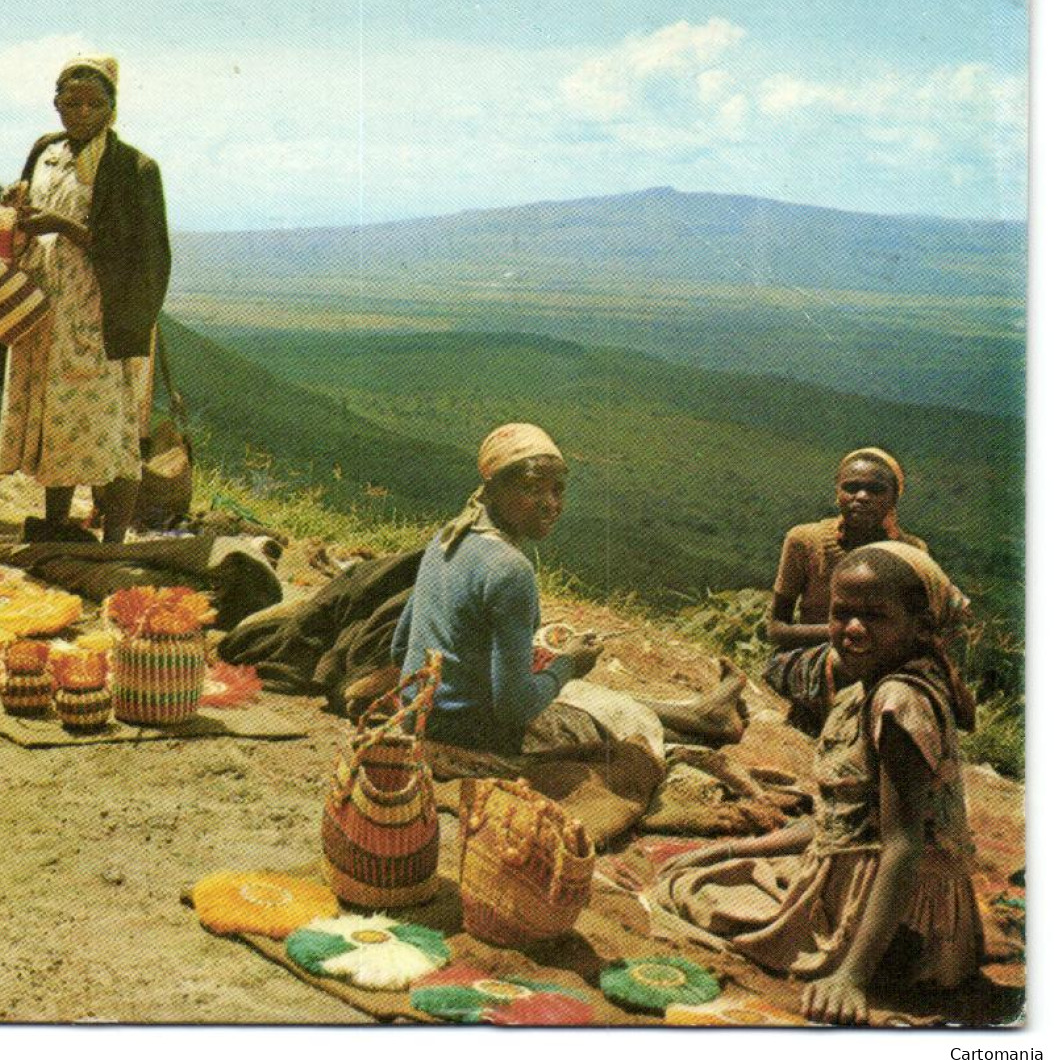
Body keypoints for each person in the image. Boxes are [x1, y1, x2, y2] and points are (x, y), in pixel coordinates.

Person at [651, 542, 982, 1025]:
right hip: (899, 902)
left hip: (901, 930)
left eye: (874, 616)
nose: (852, 628)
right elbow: (841, 820)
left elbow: (904, 846)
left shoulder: (897, 703)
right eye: (841, 613)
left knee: (691, 890)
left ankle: (855, 958)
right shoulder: (883, 684)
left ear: (920, 625)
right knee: (724, 867)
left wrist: (850, 977)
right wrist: (729, 850)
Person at [393, 422, 747, 782]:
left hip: (416, 721)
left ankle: (702, 716)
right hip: (474, 742)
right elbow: (514, 710)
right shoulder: (509, 570)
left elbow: (400, 647)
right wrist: (569, 665)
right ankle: (707, 723)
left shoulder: (446, 538)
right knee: (602, 721)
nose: (550, 504)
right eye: (532, 488)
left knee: (581, 701)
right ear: (493, 489)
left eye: (558, 490)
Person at [0, 53, 171, 544]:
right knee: (57, 416)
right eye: (70, 102)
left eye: (94, 104)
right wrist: (20, 208)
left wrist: (62, 227)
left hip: (100, 314)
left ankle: (113, 541)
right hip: (49, 307)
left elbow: (143, 248)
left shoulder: (133, 168)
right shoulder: (47, 151)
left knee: (110, 424)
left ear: (113, 109)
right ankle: (56, 524)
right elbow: (33, 207)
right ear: (55, 103)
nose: (81, 112)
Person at [768, 448, 927, 651]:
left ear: (894, 498)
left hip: (881, 659)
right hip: (813, 654)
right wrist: (847, 634)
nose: (862, 497)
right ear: (837, 492)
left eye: (876, 490)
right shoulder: (805, 541)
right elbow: (776, 628)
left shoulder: (911, 551)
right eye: (851, 487)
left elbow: (915, 628)